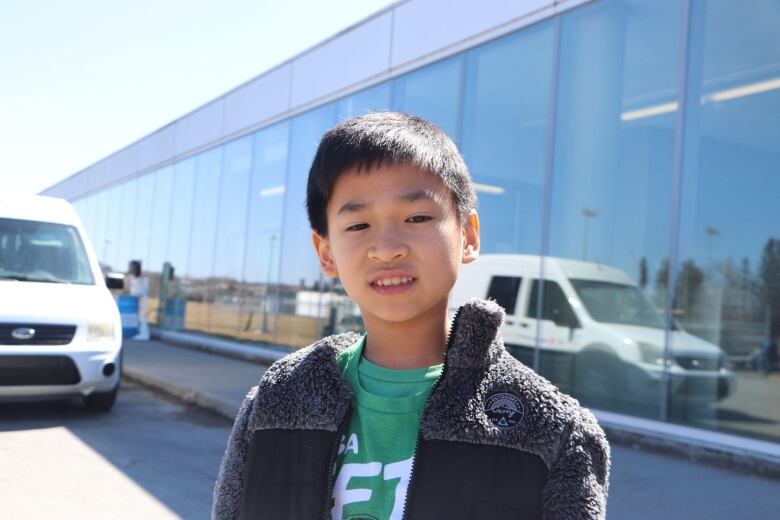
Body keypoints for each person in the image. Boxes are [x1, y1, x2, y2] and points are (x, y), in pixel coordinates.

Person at [212, 112, 610, 519]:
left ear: (468, 235)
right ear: (326, 252)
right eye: (359, 224)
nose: (386, 248)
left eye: (417, 218)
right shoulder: (279, 399)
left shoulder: (551, 430)